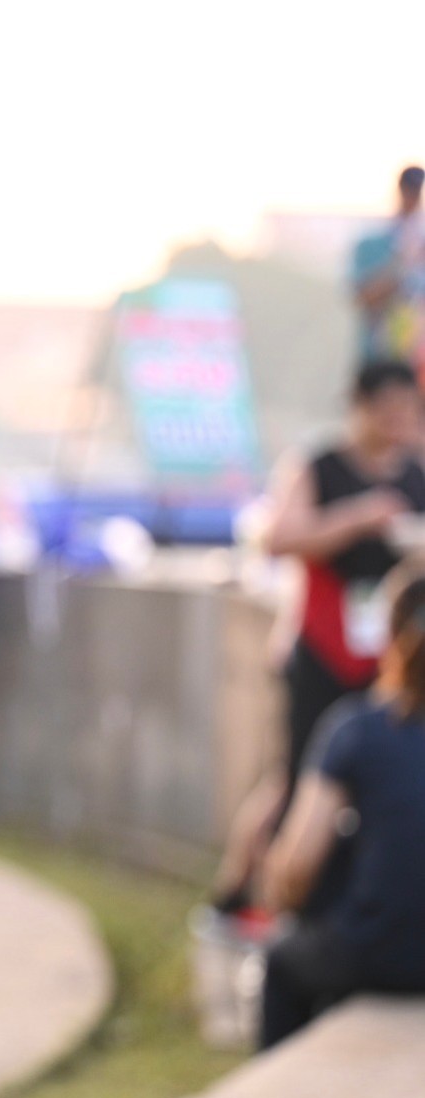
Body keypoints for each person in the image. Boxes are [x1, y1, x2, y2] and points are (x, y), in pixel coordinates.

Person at [214, 359, 425, 912]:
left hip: (393, 657)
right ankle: (248, 896)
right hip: (320, 648)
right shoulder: (318, 466)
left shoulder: (415, 473)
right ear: (359, 407)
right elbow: (277, 539)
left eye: (407, 411)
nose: (398, 422)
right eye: (387, 411)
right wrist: (358, 518)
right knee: (295, 777)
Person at [257, 565, 425, 1046]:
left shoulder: (358, 729)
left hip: (380, 952)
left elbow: (296, 866)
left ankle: (280, 1088)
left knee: (282, 963)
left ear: (388, 636)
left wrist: (280, 895)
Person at [350, 166, 425, 363]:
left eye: (417, 191)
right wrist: (404, 265)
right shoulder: (373, 243)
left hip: (416, 361)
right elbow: (361, 297)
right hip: (379, 357)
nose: (414, 197)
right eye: (411, 190)